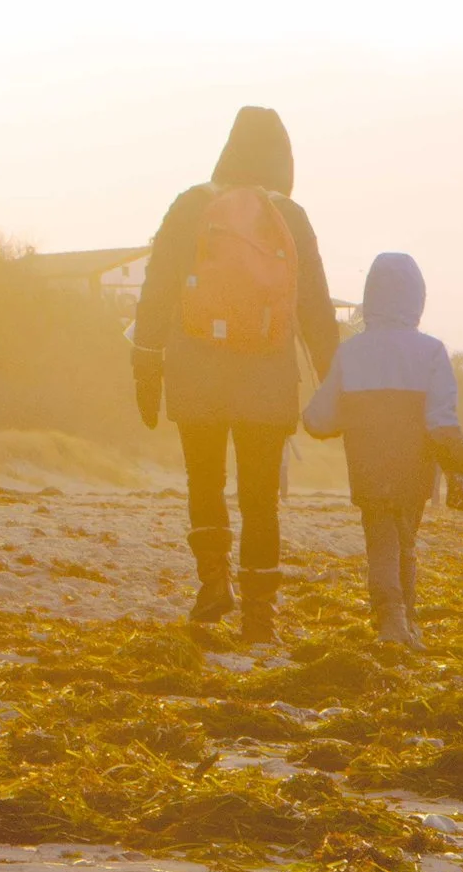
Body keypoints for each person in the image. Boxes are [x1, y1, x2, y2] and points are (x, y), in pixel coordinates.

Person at [130, 105, 338, 640]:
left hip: (196, 369)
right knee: (260, 495)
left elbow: (155, 292)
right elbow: (314, 304)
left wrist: (146, 363)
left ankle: (213, 583)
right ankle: (260, 613)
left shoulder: (191, 205)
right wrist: (332, 378)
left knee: (205, 480)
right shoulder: (290, 216)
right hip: (266, 375)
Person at [297, 253, 463, 649]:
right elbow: (442, 417)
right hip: (415, 466)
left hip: (369, 464)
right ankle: (407, 618)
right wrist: (458, 462)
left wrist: (316, 418)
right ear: (417, 299)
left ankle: (390, 617)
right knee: (406, 538)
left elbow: (321, 419)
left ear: (370, 297)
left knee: (380, 539)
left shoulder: (352, 351)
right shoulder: (431, 350)